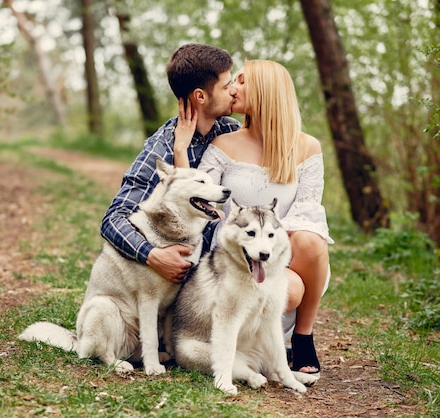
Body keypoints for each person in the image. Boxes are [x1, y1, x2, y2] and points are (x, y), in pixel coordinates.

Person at [174, 59, 333, 376]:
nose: (233, 87)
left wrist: (268, 242)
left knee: (312, 241)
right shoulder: (224, 144)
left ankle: (303, 336)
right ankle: (259, 348)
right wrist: (181, 153)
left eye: (242, 81)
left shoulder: (307, 147)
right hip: (237, 257)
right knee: (289, 289)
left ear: (267, 90)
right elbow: (196, 195)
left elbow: (307, 211)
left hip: (284, 252)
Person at [100, 43, 240, 285]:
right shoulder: (162, 147)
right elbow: (113, 219)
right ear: (200, 96)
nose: (234, 91)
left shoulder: (230, 129)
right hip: (183, 282)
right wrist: (152, 255)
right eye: (226, 86)